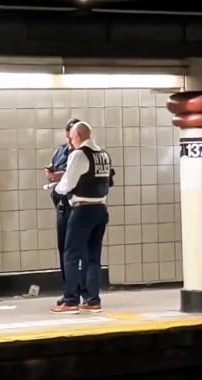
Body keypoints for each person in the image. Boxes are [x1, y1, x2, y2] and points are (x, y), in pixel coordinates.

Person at [50, 121, 114, 314]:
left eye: (71, 136)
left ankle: (70, 301)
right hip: (100, 209)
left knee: (71, 255)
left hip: (82, 210)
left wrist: (55, 188)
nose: (70, 140)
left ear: (77, 136)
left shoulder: (79, 155)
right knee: (93, 257)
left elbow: (67, 184)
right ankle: (92, 300)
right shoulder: (104, 154)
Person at [45, 118, 87, 306]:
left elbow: (77, 175)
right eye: (68, 137)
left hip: (78, 205)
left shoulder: (84, 153)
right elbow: (55, 168)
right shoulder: (61, 150)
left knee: (81, 251)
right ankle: (69, 289)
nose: (70, 141)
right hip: (62, 205)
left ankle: (84, 289)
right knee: (64, 250)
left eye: (73, 137)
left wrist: (61, 176)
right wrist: (52, 174)